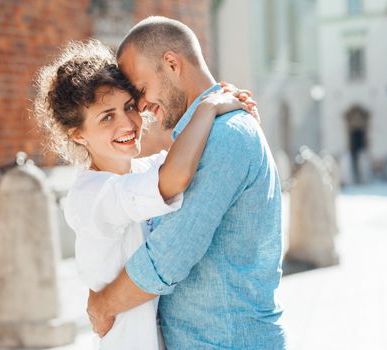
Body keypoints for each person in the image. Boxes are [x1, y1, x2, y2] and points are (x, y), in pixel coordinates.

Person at [33, 39, 257, 350]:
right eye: (106, 117)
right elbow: (175, 178)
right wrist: (207, 108)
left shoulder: (141, 171)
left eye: (128, 107)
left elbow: (192, 160)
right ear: (78, 135)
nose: (128, 123)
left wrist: (227, 101)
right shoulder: (90, 196)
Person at [86, 16, 288, 349]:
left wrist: (103, 304)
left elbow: (169, 256)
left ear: (171, 63)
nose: (141, 107)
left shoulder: (225, 137)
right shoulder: (202, 135)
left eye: (140, 91)